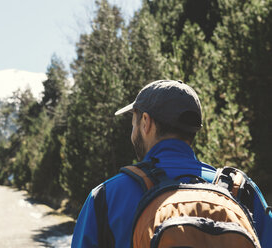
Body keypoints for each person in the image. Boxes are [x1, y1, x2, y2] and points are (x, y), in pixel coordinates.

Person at [71, 80, 271, 247]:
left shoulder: (107, 196)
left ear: (145, 122)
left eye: (133, 123)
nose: (132, 133)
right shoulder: (241, 191)